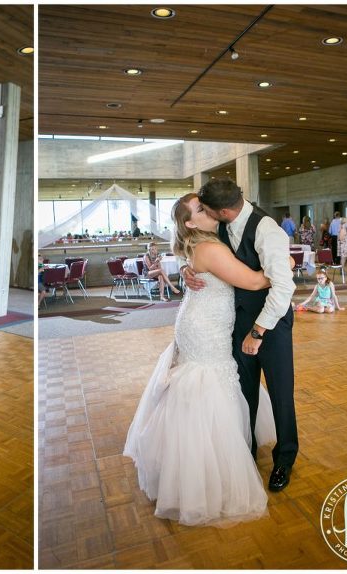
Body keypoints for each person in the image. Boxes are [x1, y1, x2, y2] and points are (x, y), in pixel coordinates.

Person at [125, 193, 276, 526]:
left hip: (198, 321)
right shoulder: (209, 248)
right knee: (209, 387)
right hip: (205, 327)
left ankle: (189, 462)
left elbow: (195, 264)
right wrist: (286, 267)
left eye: (206, 205)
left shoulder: (200, 243)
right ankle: (207, 473)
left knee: (204, 385)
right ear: (190, 222)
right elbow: (253, 281)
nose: (207, 210)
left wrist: (184, 269)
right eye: (199, 209)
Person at [183, 179, 297, 492]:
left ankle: (285, 458)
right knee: (243, 391)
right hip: (234, 323)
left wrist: (258, 332)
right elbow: (196, 251)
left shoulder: (266, 229)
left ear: (222, 211)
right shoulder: (217, 224)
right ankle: (246, 450)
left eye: (206, 210)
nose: (205, 214)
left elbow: (283, 289)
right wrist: (186, 270)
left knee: (280, 392)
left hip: (271, 325)